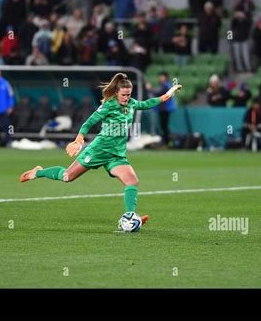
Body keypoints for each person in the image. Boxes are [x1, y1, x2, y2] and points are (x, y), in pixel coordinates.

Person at [19, 73, 182, 228]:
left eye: (128, 95)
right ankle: (38, 172)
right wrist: (79, 139)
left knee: (132, 181)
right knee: (67, 177)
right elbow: (88, 123)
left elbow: (148, 103)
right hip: (97, 151)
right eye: (123, 95)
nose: (126, 98)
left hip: (116, 155)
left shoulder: (132, 104)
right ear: (116, 93)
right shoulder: (108, 106)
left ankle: (130, 217)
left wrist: (168, 93)